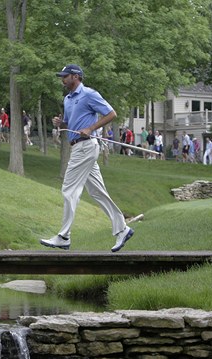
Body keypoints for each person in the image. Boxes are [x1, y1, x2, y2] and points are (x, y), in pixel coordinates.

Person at [40, 64, 133, 252]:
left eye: (65, 76)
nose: (62, 79)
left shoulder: (89, 94)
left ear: (76, 77)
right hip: (78, 148)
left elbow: (111, 113)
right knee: (97, 192)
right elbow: (71, 122)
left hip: (86, 147)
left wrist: (91, 128)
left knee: (69, 190)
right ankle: (122, 229)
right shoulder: (67, 99)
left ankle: (64, 236)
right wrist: (61, 123)